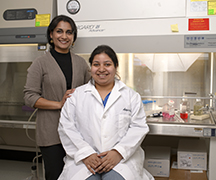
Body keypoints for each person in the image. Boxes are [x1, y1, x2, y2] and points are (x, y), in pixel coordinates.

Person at [58, 45, 154, 180]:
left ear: (115, 66)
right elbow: (67, 128)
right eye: (96, 64)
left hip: (121, 160)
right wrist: (87, 154)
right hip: (85, 159)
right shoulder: (76, 96)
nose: (101, 69)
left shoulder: (131, 96)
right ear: (91, 67)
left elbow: (138, 128)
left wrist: (118, 152)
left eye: (107, 64)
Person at [23, 15, 91, 180]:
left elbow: (91, 90)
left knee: (78, 175)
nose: (64, 36)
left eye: (69, 32)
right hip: (51, 133)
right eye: (59, 31)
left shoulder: (81, 63)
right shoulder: (40, 63)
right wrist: (59, 104)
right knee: (55, 174)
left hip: (77, 132)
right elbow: (29, 96)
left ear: (73, 37)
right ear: (51, 35)